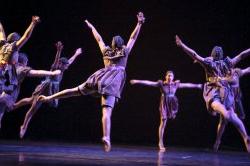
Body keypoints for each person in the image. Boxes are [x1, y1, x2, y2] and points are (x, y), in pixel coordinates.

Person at [39, 12, 145, 152]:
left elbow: (99, 39)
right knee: (106, 111)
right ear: (122, 44)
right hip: (112, 82)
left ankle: (49, 97)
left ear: (113, 44)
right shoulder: (125, 51)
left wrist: (91, 27)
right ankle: (106, 136)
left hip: (100, 77)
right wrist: (139, 24)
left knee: (75, 91)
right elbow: (133, 37)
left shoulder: (106, 51)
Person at [175, 35, 250, 152]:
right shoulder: (227, 63)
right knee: (227, 117)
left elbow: (195, 55)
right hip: (226, 93)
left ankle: (226, 123)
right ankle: (244, 136)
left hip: (215, 90)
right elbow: (242, 55)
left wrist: (182, 46)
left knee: (219, 111)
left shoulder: (210, 63)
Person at [13, 41, 82, 138]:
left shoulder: (63, 68)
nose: (67, 67)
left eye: (66, 66)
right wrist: (58, 51)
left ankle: (14, 105)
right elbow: (56, 60)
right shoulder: (54, 67)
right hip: (45, 88)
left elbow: (70, 60)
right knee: (33, 107)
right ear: (60, 64)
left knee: (31, 100)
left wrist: (76, 53)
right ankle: (24, 126)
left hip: (53, 89)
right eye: (64, 65)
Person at [130, 71, 202, 152]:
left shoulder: (175, 84)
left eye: (171, 76)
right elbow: (149, 83)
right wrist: (137, 81)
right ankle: (160, 142)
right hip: (164, 103)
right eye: (168, 76)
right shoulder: (161, 84)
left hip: (172, 103)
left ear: (173, 77)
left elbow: (187, 85)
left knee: (170, 120)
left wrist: (197, 85)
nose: (169, 77)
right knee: (163, 121)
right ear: (165, 76)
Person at [0, 53, 61, 129]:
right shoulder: (20, 69)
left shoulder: (6, 65)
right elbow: (36, 73)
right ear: (23, 62)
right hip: (5, 96)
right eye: (26, 62)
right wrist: (52, 73)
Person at [0, 16, 40, 96]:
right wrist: (33, 23)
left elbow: (1, 31)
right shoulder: (13, 47)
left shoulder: (2, 45)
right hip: (6, 76)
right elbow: (26, 36)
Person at [213, 67, 250, 151]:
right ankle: (218, 140)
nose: (230, 71)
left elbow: (247, 70)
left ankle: (245, 138)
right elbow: (215, 81)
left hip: (235, 100)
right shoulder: (224, 78)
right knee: (223, 122)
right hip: (227, 100)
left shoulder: (236, 74)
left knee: (230, 120)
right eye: (228, 70)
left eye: (231, 69)